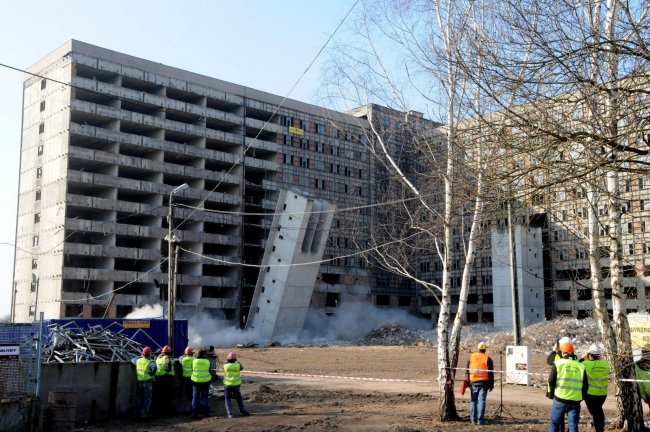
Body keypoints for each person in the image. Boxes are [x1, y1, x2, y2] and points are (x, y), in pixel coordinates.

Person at [546, 341, 588, 432]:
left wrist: (551, 394)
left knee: (554, 423)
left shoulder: (558, 363)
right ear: (573, 353)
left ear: (563, 352)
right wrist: (580, 398)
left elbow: (551, 381)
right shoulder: (581, 366)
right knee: (573, 426)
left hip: (560, 399)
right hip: (575, 401)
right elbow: (585, 386)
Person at [579, 344, 609, 432]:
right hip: (603, 393)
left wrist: (583, 358)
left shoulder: (585, 364)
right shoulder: (606, 364)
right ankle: (600, 428)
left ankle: (599, 429)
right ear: (599, 355)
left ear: (589, 354)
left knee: (596, 412)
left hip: (590, 394)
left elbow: (576, 365)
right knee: (598, 410)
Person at [466, 342, 494, 425]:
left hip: (473, 382)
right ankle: (480, 420)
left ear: (478, 348)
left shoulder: (471, 357)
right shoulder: (488, 359)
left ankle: (473, 419)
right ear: (485, 349)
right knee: (481, 401)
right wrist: (491, 385)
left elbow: (466, 371)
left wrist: (467, 383)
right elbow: (491, 373)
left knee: (473, 401)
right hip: (484, 383)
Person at [223, 351, 251, 418]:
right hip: (236, 385)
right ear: (235, 359)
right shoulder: (238, 365)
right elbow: (242, 368)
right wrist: (237, 361)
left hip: (227, 385)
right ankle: (242, 410)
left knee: (227, 399)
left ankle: (230, 414)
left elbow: (224, 367)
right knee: (238, 398)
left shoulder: (225, 366)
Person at [132, 346, 157, 419]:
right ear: (150, 354)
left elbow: (133, 359)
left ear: (143, 353)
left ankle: (138, 413)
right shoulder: (150, 361)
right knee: (147, 398)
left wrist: (140, 356)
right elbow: (154, 368)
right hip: (148, 382)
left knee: (140, 397)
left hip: (140, 381)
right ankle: (144, 414)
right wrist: (152, 373)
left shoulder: (138, 361)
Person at [154, 345, 175, 416]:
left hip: (158, 378)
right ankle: (166, 413)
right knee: (167, 396)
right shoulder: (167, 358)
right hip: (166, 378)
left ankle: (158, 412)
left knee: (159, 396)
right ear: (168, 352)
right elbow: (168, 368)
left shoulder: (158, 358)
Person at [191, 349, 212, 418]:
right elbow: (209, 371)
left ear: (198, 355)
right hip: (205, 382)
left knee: (195, 398)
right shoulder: (207, 361)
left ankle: (194, 414)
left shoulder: (194, 361)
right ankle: (205, 413)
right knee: (205, 397)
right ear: (204, 355)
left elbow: (192, 369)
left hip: (196, 381)